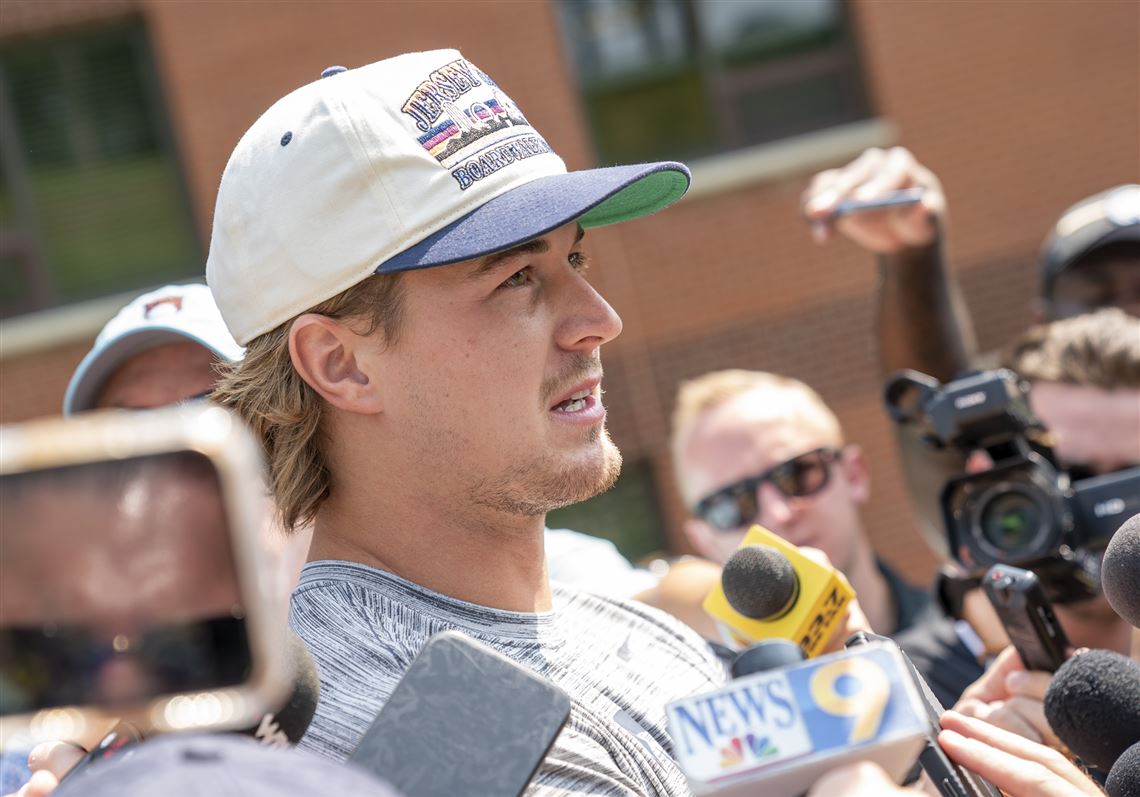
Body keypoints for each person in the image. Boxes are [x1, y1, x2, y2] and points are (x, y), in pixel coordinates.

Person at [204, 48, 741, 794]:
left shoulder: (637, 633)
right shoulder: (349, 716)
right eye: (517, 278)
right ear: (341, 363)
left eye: (574, 260)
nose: (599, 321)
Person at [670, 369, 930, 637]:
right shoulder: (706, 678)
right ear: (702, 540)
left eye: (797, 474)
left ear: (854, 475)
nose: (777, 514)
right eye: (731, 503)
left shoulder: (972, 636)